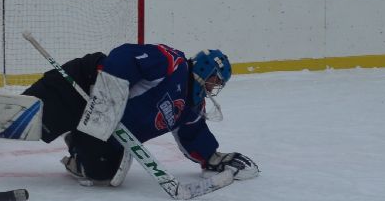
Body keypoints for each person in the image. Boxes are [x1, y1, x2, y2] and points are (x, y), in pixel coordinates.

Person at [20, 43, 258, 186]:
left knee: (104, 174)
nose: (212, 88)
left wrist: (212, 158)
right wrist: (107, 92)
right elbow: (126, 56)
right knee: (28, 120)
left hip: (103, 127)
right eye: (213, 80)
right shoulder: (173, 63)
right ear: (205, 69)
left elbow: (193, 135)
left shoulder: (191, 108)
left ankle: (78, 141)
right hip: (84, 84)